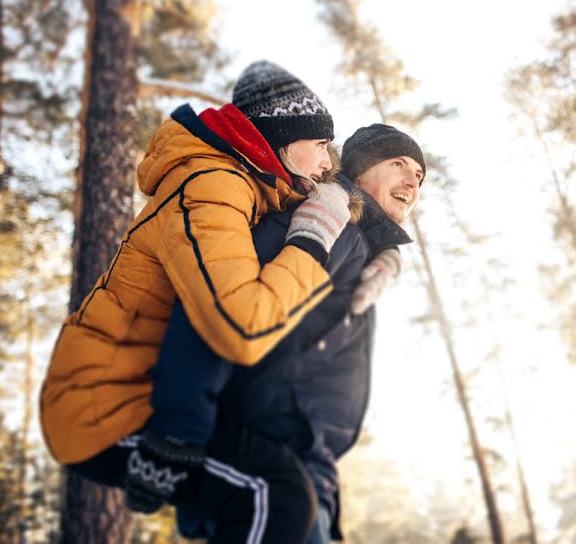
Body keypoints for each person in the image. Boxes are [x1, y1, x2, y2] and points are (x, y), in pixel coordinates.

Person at [39, 61, 370, 543]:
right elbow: (241, 325)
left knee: (277, 488)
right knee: (272, 492)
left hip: (141, 395)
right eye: (320, 144)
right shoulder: (214, 184)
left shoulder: (243, 188)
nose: (327, 162)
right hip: (101, 404)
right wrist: (311, 242)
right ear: (280, 137)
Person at [134, 121, 426, 544]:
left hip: (306, 471)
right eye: (398, 163)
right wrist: (178, 432)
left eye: (419, 175)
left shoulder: (364, 257)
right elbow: (216, 303)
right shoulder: (323, 227)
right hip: (264, 459)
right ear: (360, 169)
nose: (412, 180)